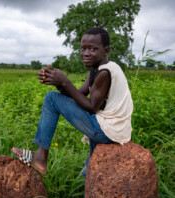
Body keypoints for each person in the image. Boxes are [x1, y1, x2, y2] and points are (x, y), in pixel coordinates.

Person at [11, 27, 133, 177]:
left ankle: (40, 157)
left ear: (106, 50)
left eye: (93, 49)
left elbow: (91, 107)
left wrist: (65, 81)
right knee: (91, 173)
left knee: (51, 98)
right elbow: (79, 95)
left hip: (107, 130)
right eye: (83, 48)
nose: (86, 53)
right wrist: (59, 83)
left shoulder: (104, 73)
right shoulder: (97, 69)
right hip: (110, 127)